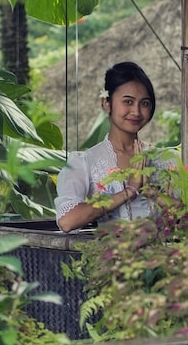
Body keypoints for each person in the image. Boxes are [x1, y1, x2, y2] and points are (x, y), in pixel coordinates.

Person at [55, 61, 166, 232]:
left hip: (162, 256)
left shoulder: (163, 160)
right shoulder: (86, 161)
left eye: (144, 103)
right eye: (128, 102)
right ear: (106, 103)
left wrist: (153, 193)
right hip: (109, 256)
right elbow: (67, 221)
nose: (136, 111)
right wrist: (129, 191)